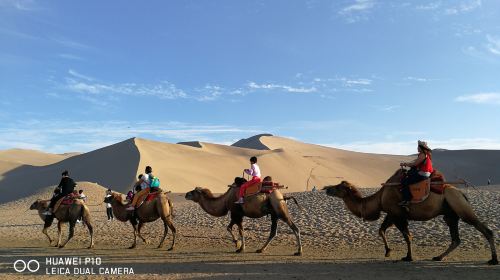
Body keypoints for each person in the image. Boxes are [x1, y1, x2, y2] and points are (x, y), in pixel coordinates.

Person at [399, 140, 433, 206]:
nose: (417, 148)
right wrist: (406, 163)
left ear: (421, 148)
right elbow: (415, 163)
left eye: (418, 147)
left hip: (422, 174)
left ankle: (407, 200)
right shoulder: (424, 155)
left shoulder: (422, 155)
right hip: (423, 173)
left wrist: (405, 164)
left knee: (405, 181)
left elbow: (414, 164)